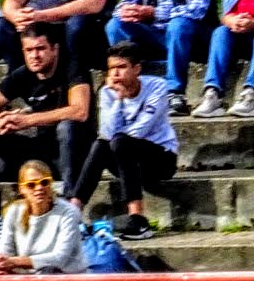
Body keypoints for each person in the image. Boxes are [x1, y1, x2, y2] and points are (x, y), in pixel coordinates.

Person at [0, 23, 93, 189]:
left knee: (67, 127)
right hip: (41, 149)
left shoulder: (73, 68)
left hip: (73, 151)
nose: (35, 56)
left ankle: (69, 196)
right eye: (29, 50)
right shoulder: (23, 74)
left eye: (40, 49)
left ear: (55, 49)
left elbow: (80, 111)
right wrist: (0, 121)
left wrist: (27, 120)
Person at [71, 42, 177, 241]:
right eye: (111, 68)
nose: (115, 74)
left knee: (120, 142)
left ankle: (138, 219)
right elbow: (106, 132)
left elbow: (141, 129)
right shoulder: (107, 92)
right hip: (125, 160)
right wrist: (119, 100)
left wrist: (125, 106)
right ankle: (73, 211)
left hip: (160, 159)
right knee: (101, 145)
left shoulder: (157, 86)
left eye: (121, 67)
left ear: (137, 69)